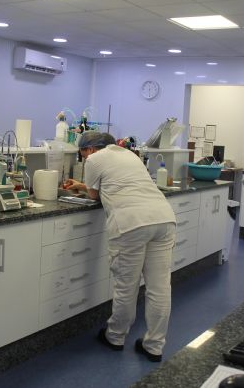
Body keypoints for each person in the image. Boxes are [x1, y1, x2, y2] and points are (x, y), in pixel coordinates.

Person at [63, 131, 176, 362]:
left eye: (82, 154)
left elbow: (95, 195)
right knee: (160, 287)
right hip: (163, 217)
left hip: (131, 223)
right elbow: (118, 183)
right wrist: (82, 185)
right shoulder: (129, 154)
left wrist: (83, 187)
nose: (84, 159)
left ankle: (115, 336)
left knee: (127, 285)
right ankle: (154, 345)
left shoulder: (95, 159)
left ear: (91, 149)